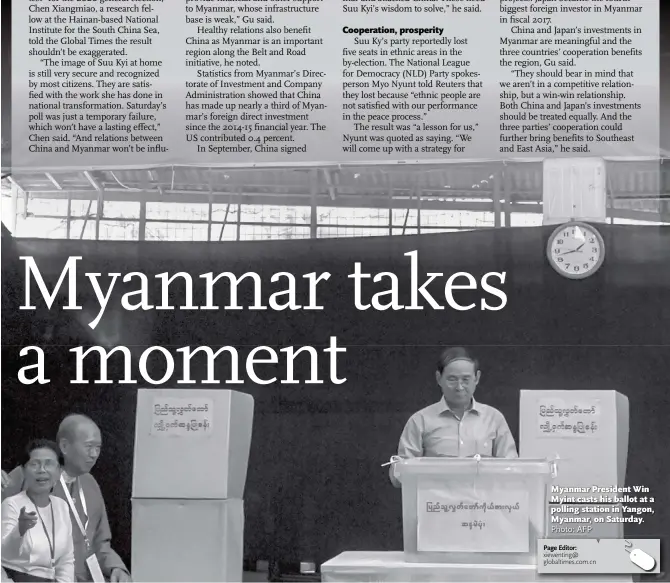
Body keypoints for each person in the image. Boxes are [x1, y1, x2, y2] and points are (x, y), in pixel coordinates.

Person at [2, 416, 131, 582]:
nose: (94, 455)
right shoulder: (26, 476)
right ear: (64, 446)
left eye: (98, 448)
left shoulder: (90, 483)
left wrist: (116, 568)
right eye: (89, 446)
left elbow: (100, 544)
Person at [390, 347, 517, 486]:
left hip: (483, 504)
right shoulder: (420, 420)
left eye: (466, 379)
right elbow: (399, 475)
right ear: (439, 378)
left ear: (477, 378)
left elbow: (512, 469)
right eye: (452, 379)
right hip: (435, 504)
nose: (459, 387)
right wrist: (398, 469)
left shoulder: (494, 419)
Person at [2, 439, 75, 582]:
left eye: (49, 464)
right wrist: (20, 530)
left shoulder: (61, 506)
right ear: (23, 470)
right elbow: (5, 553)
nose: (42, 470)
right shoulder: (12, 504)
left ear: (59, 470)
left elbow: (66, 559)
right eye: (34, 464)